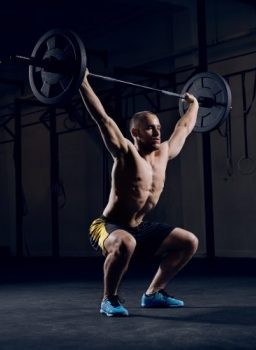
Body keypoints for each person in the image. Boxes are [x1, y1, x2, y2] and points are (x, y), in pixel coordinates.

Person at [80, 69, 200, 317]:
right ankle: (108, 299)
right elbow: (102, 119)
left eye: (157, 127)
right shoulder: (125, 152)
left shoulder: (164, 153)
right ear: (135, 132)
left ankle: (153, 294)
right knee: (126, 242)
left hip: (138, 226)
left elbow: (185, 126)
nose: (157, 133)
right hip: (108, 225)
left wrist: (195, 104)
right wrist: (82, 82)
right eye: (149, 129)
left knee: (189, 242)